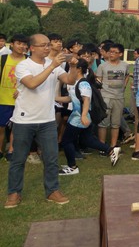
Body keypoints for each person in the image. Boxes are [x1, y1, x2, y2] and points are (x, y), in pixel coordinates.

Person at [5, 34, 80, 208]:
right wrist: (52, 66)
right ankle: (14, 193)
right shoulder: (24, 65)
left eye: (48, 45)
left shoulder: (52, 64)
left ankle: (52, 190)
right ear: (32, 48)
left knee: (51, 158)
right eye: (43, 45)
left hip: (47, 120)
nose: (47, 48)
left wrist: (73, 67)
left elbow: (69, 80)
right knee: (18, 159)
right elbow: (32, 84)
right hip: (24, 120)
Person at [57, 59, 120, 175]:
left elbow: (86, 100)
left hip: (79, 118)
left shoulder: (83, 84)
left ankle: (72, 167)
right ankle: (110, 150)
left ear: (79, 69)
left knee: (66, 141)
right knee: (87, 139)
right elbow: (72, 98)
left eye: (72, 67)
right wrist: (55, 98)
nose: (70, 70)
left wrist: (83, 115)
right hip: (80, 116)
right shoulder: (75, 82)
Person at [95, 42, 129, 151]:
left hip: (119, 97)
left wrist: (124, 86)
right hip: (106, 97)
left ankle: (113, 146)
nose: (111, 54)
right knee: (103, 123)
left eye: (115, 52)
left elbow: (127, 75)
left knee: (116, 123)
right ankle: (102, 146)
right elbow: (98, 81)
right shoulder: (102, 66)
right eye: (110, 52)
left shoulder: (125, 65)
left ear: (120, 54)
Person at [0, 34, 28, 161]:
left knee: (16, 126)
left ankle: (11, 150)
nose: (21, 46)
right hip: (3, 98)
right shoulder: (3, 59)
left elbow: (32, 79)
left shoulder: (28, 61)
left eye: (24, 44)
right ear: (12, 44)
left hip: (21, 100)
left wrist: (21, 89)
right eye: (18, 43)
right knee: (1, 126)